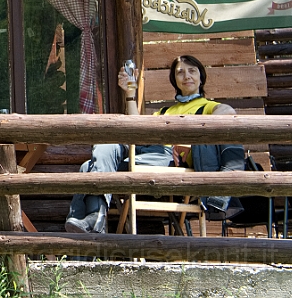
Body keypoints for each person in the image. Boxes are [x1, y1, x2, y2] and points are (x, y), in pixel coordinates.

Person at [64, 55, 245, 234]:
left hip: (170, 161)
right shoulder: (165, 111)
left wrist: (194, 141)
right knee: (99, 154)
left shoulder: (207, 106)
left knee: (89, 168)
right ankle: (96, 218)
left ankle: (91, 229)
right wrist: (130, 94)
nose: (187, 76)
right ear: (174, 80)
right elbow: (138, 129)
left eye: (192, 71)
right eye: (180, 72)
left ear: (201, 77)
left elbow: (228, 112)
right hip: (149, 154)